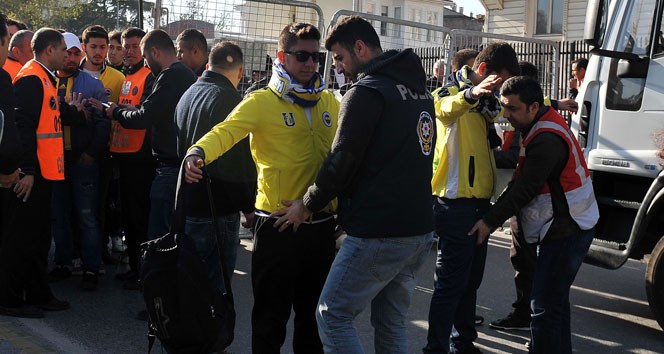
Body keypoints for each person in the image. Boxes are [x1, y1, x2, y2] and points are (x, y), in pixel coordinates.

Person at [271, 16, 436, 353]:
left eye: (341, 58)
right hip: (419, 228)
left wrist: (307, 204)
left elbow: (341, 160)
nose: (340, 68)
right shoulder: (419, 91)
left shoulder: (367, 91)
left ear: (360, 48)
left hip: (379, 230)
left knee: (332, 316)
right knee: (391, 322)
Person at [183, 22, 339, 354]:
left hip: (321, 226)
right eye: (302, 56)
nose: (311, 63)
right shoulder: (261, 101)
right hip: (277, 226)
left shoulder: (329, 102)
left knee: (313, 321)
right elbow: (225, 132)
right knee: (270, 319)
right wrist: (197, 153)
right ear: (282, 56)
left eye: (317, 56)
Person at [469, 76, 599, 354]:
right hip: (568, 223)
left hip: (569, 228)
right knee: (554, 303)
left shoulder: (546, 138)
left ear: (532, 107)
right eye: (504, 107)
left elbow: (524, 188)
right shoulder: (539, 120)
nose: (506, 114)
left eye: (512, 109)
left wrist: (489, 221)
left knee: (544, 307)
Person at [424, 42, 520, 354]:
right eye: (498, 81)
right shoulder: (449, 91)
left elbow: (519, 101)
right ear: (482, 72)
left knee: (469, 284)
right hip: (454, 204)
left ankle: (462, 343)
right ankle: (435, 348)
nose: (499, 91)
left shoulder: (488, 103)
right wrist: (472, 94)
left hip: (479, 203)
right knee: (450, 286)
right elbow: (442, 109)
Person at [175, 41, 256, 350]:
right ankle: (205, 342)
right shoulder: (229, 99)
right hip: (216, 207)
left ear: (208, 64)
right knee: (213, 286)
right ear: (240, 71)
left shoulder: (190, 92)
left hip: (189, 200)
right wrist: (248, 207)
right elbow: (234, 165)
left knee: (190, 280)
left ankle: (187, 336)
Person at [0, 28, 71, 319]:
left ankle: (38, 293)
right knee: (21, 240)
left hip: (44, 173)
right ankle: (10, 299)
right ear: (49, 50)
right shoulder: (32, 78)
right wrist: (27, 170)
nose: (67, 55)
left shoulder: (44, 77)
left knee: (39, 239)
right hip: (33, 173)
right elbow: (21, 127)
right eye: (63, 50)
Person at [107, 29, 196, 245]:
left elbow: (145, 116)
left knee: (159, 236)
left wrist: (115, 111)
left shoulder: (170, 76)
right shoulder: (184, 74)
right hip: (176, 163)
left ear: (154, 52)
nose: (145, 64)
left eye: (145, 57)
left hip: (170, 166)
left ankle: (153, 278)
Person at [104, 27, 155, 289]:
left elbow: (143, 113)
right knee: (128, 218)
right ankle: (135, 267)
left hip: (141, 158)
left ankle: (142, 272)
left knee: (139, 219)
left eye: (135, 46)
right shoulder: (128, 75)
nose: (130, 51)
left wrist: (117, 111)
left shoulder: (149, 76)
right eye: (127, 46)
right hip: (123, 155)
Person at [81, 25, 125, 103]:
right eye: (93, 47)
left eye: (102, 47)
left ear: (107, 48)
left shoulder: (119, 78)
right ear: (84, 47)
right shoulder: (71, 74)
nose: (98, 52)